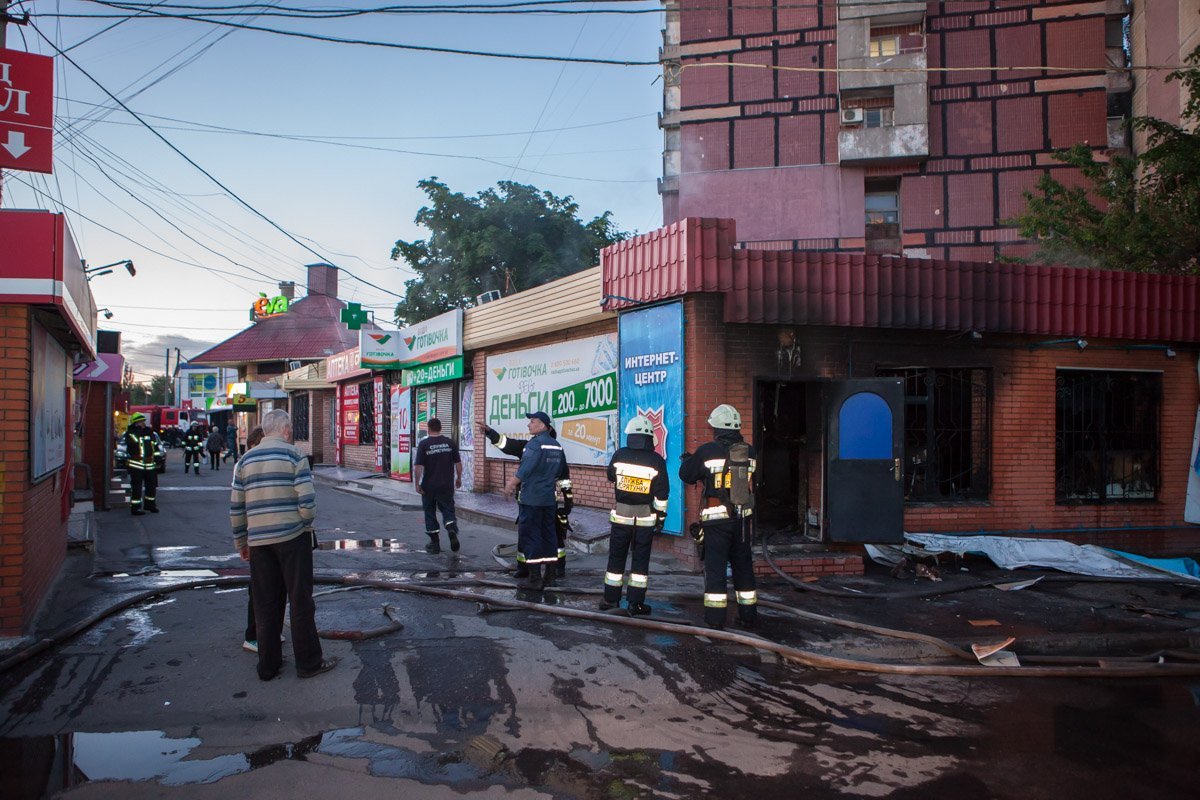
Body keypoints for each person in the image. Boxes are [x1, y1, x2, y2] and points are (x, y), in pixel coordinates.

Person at [231, 409, 336, 680]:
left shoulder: (244, 460)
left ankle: (268, 666)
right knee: (300, 601)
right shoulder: (294, 455)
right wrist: (303, 523)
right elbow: (307, 500)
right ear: (286, 429)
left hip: (258, 542)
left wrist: (242, 541)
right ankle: (309, 664)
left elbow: (236, 507)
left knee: (265, 603)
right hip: (292, 539)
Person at [679, 404, 759, 630]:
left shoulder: (707, 451)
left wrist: (687, 460)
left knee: (715, 568)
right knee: (743, 567)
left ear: (717, 428)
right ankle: (748, 616)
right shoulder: (750, 451)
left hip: (717, 520)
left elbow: (686, 474)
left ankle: (715, 620)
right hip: (742, 519)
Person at [481, 423, 574, 579]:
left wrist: (568, 499)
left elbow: (564, 478)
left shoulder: (554, 453)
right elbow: (507, 444)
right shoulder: (530, 447)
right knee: (529, 536)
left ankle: (555, 569)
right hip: (535, 500)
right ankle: (525, 568)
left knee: (547, 536)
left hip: (541, 501)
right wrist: (490, 433)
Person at [600, 415, 669, 616]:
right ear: (649, 437)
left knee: (616, 559)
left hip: (621, 516)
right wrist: (661, 518)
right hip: (645, 519)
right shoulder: (656, 460)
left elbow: (611, 476)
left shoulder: (620, 455)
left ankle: (611, 599)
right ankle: (636, 603)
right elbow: (662, 493)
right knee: (640, 562)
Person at [503, 411, 567, 590]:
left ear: (543, 425)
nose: (529, 425)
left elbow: (525, 470)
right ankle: (551, 576)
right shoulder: (557, 446)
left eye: (532, 421)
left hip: (531, 499)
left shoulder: (534, 445)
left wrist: (510, 484)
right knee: (549, 536)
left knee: (531, 536)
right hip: (548, 500)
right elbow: (560, 472)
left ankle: (535, 578)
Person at [238, 426, 286, 654]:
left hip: (270, 535)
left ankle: (270, 632)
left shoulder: (253, 462)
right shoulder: (246, 464)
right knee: (260, 589)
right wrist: (242, 540)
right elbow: (239, 506)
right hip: (259, 536)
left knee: (276, 586)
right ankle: (254, 636)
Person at [413, 417, 463, 554]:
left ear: (428, 429)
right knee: (448, 510)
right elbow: (458, 464)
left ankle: (435, 544)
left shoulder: (424, 444)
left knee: (429, 512)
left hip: (428, 486)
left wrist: (417, 483)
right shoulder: (450, 443)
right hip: (446, 486)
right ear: (440, 428)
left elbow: (418, 466)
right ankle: (451, 528)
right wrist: (459, 479)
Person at [123, 412, 159, 515]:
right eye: (141, 421)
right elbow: (133, 443)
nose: (143, 423)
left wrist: (157, 457)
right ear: (136, 423)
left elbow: (154, 445)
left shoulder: (149, 432)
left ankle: (150, 505)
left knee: (152, 486)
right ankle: (135, 508)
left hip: (149, 463)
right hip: (136, 464)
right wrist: (139, 431)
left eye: (143, 421)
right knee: (137, 487)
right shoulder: (131, 433)